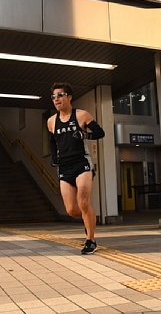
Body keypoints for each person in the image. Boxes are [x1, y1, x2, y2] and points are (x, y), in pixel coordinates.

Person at [47, 82, 105, 254]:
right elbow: (52, 141)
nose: (56, 99)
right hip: (65, 166)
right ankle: (89, 220)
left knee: (84, 202)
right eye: (53, 97)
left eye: (59, 95)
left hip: (82, 163)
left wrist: (85, 134)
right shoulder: (51, 121)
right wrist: (54, 157)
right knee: (72, 210)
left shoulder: (81, 115)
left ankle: (90, 239)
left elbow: (100, 133)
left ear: (69, 97)